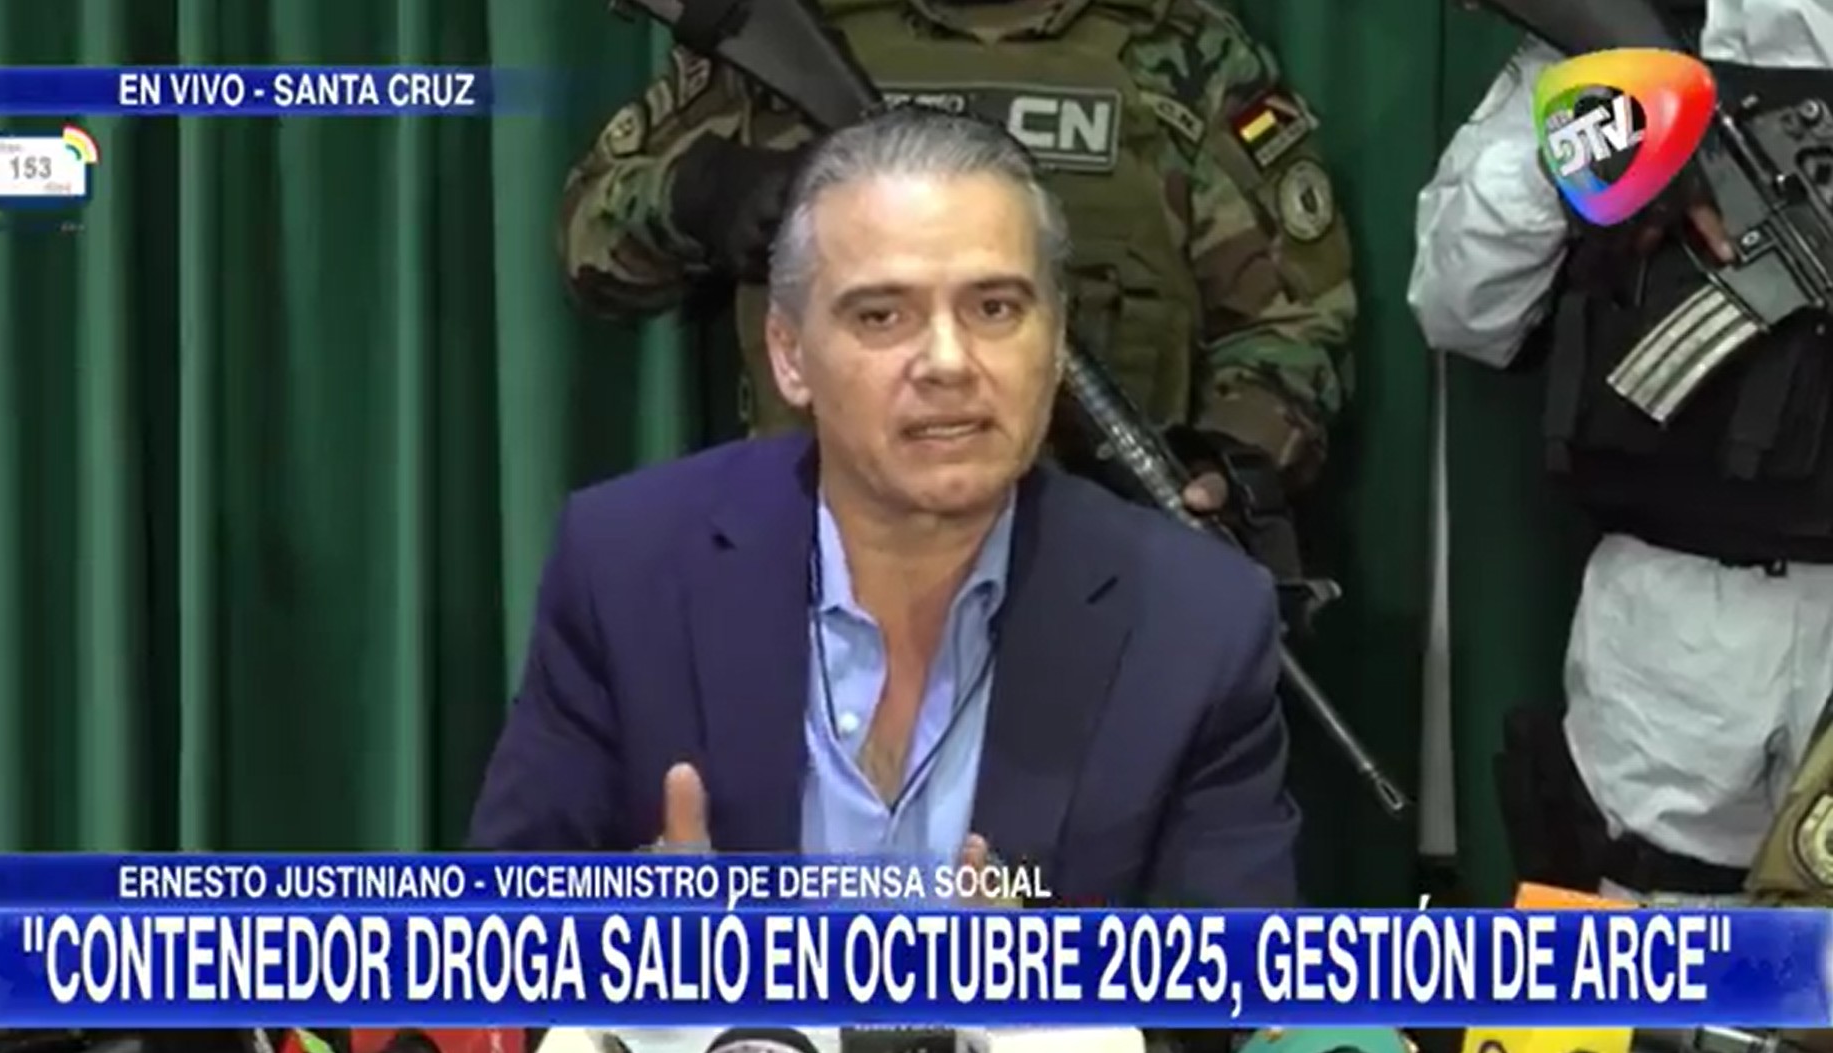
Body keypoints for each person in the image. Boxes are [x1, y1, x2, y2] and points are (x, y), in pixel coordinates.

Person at [473, 108, 1300, 908]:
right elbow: (492, 944)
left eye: (995, 309)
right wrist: (637, 951)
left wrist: (1045, 991)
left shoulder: (1196, 622)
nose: (948, 361)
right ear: (790, 355)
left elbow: (1234, 983)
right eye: (882, 315)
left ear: (1055, 344)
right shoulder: (628, 569)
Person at [555, 0, 1355, 537]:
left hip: (1097, 576)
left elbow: (1293, 321)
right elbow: (591, 248)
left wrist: (1225, 463)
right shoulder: (785, 32)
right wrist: (699, 195)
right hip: (814, 577)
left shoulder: (1182, 52)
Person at [1408, 0, 1833, 905]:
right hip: (1675, 625)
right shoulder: (1637, 25)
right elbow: (1459, 304)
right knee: (1641, 938)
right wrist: (1618, 125)